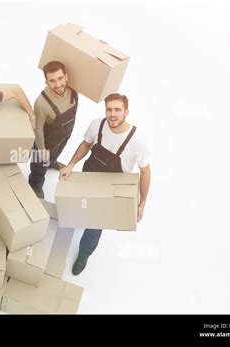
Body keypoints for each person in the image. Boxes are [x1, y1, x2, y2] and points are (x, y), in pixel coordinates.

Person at [59, 93, 151, 275]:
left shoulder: (137, 141)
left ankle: (84, 254)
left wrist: (142, 203)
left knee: (94, 226)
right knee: (80, 205)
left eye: (118, 109)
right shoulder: (97, 124)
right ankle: (78, 218)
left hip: (111, 189)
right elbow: (86, 144)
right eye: (109, 109)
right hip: (90, 176)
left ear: (126, 112)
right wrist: (71, 165)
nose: (112, 114)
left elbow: (145, 172)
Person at [28, 61, 79, 199]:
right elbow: (37, 129)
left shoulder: (73, 90)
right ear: (46, 82)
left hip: (64, 134)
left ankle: (52, 162)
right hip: (47, 138)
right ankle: (35, 182)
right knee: (40, 161)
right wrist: (42, 149)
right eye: (52, 81)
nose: (58, 85)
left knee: (57, 151)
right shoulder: (41, 103)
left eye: (60, 78)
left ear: (66, 77)